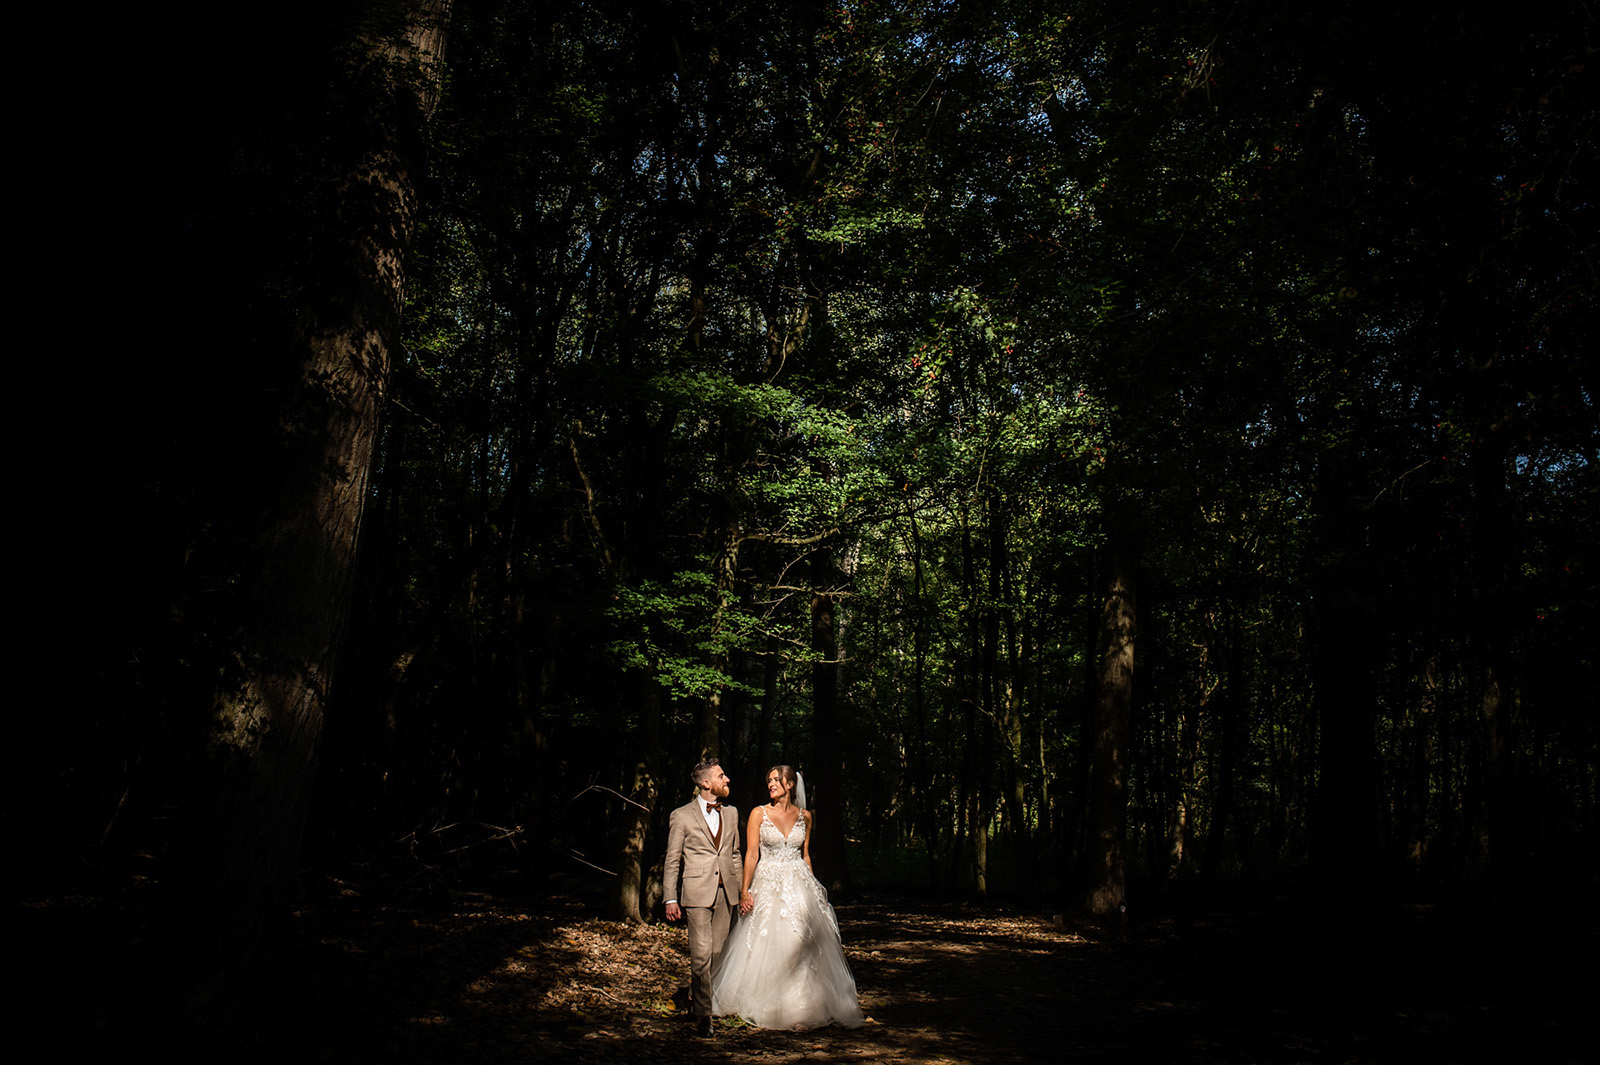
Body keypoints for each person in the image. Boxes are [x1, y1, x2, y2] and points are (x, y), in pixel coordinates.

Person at [711, 765, 864, 1029]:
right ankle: (761, 1001)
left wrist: (815, 888)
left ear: (790, 785)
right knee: (765, 941)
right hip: (768, 881)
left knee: (802, 939)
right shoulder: (759, 813)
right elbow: (751, 854)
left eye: (776, 780)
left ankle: (803, 1005)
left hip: (798, 882)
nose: (770, 784)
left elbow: (805, 854)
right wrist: (745, 891)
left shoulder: (806, 817)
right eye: (768, 780)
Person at [663, 760, 742, 1037]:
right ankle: (704, 1015)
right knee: (700, 955)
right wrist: (670, 898)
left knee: (718, 954)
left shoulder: (731, 813)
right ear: (706, 783)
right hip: (696, 894)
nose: (727, 779)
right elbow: (673, 859)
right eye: (721, 776)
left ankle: (697, 998)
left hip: (726, 893)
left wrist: (741, 892)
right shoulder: (681, 816)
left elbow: (735, 854)